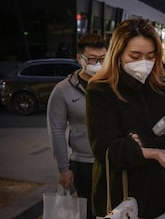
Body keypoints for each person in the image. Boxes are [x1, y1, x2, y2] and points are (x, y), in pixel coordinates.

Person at [85, 17, 165, 219]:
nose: (144, 63)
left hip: (161, 199)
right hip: (119, 202)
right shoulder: (100, 89)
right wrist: (154, 151)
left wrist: (141, 144)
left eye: (150, 56)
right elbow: (105, 148)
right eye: (135, 56)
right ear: (118, 54)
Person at [47, 33, 107, 219]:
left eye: (103, 59)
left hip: (113, 161)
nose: (98, 64)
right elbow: (56, 130)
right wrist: (64, 169)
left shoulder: (112, 85)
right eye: (92, 59)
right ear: (80, 59)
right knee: (88, 212)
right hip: (83, 165)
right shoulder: (63, 90)